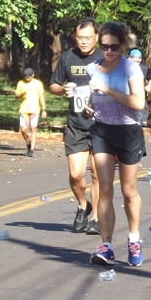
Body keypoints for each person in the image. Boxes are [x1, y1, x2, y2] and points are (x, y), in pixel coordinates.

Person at [86, 22, 147, 267]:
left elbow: (139, 103)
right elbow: (92, 98)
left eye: (113, 46)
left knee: (128, 191)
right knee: (105, 189)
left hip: (128, 131)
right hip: (102, 130)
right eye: (104, 46)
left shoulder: (131, 69)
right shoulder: (92, 69)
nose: (109, 51)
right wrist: (86, 102)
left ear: (122, 45)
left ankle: (134, 238)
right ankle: (107, 245)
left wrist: (108, 90)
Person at [49, 18, 102, 234]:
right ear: (75, 37)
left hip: (101, 125)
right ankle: (83, 204)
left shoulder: (105, 58)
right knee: (75, 173)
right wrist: (63, 89)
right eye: (80, 38)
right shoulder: (67, 57)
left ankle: (96, 217)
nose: (84, 42)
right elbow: (52, 85)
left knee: (98, 175)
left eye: (88, 38)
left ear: (96, 37)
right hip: (76, 125)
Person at [14, 67, 46, 157]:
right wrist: (21, 94)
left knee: (33, 128)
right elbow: (16, 96)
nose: (27, 78)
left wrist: (44, 109)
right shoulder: (21, 83)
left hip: (35, 109)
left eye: (29, 77)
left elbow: (41, 97)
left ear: (33, 75)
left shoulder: (38, 84)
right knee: (23, 130)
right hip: (24, 109)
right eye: (25, 77)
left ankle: (31, 149)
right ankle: (28, 142)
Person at [129, 48, 151, 126]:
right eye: (134, 61)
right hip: (126, 97)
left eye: (138, 61)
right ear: (129, 59)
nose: (136, 63)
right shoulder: (123, 68)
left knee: (140, 120)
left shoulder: (144, 68)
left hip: (140, 98)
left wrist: (149, 86)